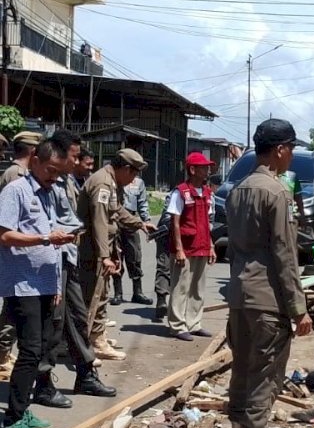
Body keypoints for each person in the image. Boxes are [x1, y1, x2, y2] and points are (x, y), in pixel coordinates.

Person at [225, 119, 312, 428]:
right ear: (279, 150)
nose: (291, 155)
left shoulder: (237, 189)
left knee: (241, 369)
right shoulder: (277, 192)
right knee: (266, 376)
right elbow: (285, 255)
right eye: (291, 148)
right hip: (268, 299)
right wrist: (298, 308)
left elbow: (232, 247)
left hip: (239, 296)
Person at [0, 139, 75, 428]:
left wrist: (55, 284)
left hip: (44, 285)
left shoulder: (50, 194)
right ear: (34, 161)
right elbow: (5, 235)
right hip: (22, 284)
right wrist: (44, 238)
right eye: (50, 170)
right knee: (29, 350)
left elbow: (54, 246)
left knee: (42, 347)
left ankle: (24, 408)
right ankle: (13, 419)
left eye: (58, 172)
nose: (54, 177)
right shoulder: (15, 191)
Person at [33, 130, 115, 408]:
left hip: (66, 258)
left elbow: (71, 220)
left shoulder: (64, 183)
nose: (78, 161)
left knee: (78, 318)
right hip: (47, 262)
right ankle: (42, 383)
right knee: (51, 325)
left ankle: (85, 374)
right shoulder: (36, 183)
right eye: (75, 156)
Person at [77, 149, 155, 361]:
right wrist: (104, 256)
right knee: (94, 297)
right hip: (92, 252)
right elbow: (100, 222)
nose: (134, 179)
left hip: (102, 250)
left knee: (101, 295)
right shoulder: (103, 183)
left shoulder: (112, 183)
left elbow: (118, 211)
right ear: (126, 169)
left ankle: (97, 336)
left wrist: (139, 223)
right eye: (134, 174)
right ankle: (86, 342)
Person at [0, 131, 42, 377]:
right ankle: (2, 354)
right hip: (15, 249)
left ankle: (4, 352)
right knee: (12, 308)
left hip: (18, 249)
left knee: (12, 308)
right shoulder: (16, 175)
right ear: (32, 151)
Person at [167, 152, 216, 341]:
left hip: (202, 246)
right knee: (180, 287)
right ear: (193, 170)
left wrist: (211, 246)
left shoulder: (208, 193)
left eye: (208, 167)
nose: (207, 170)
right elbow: (175, 221)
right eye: (203, 167)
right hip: (185, 248)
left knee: (198, 288)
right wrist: (178, 249)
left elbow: (208, 222)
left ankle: (194, 323)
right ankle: (177, 326)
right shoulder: (180, 192)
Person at [112, 172, 153, 306]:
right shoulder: (113, 179)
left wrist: (146, 220)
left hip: (132, 221)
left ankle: (138, 292)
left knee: (135, 256)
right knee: (116, 256)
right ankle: (118, 293)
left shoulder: (138, 182)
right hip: (115, 220)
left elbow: (142, 203)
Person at [152, 190, 175, 323]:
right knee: (163, 266)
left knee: (179, 271)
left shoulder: (207, 196)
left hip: (188, 239)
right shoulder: (176, 194)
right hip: (167, 233)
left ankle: (176, 305)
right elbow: (167, 216)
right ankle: (161, 301)